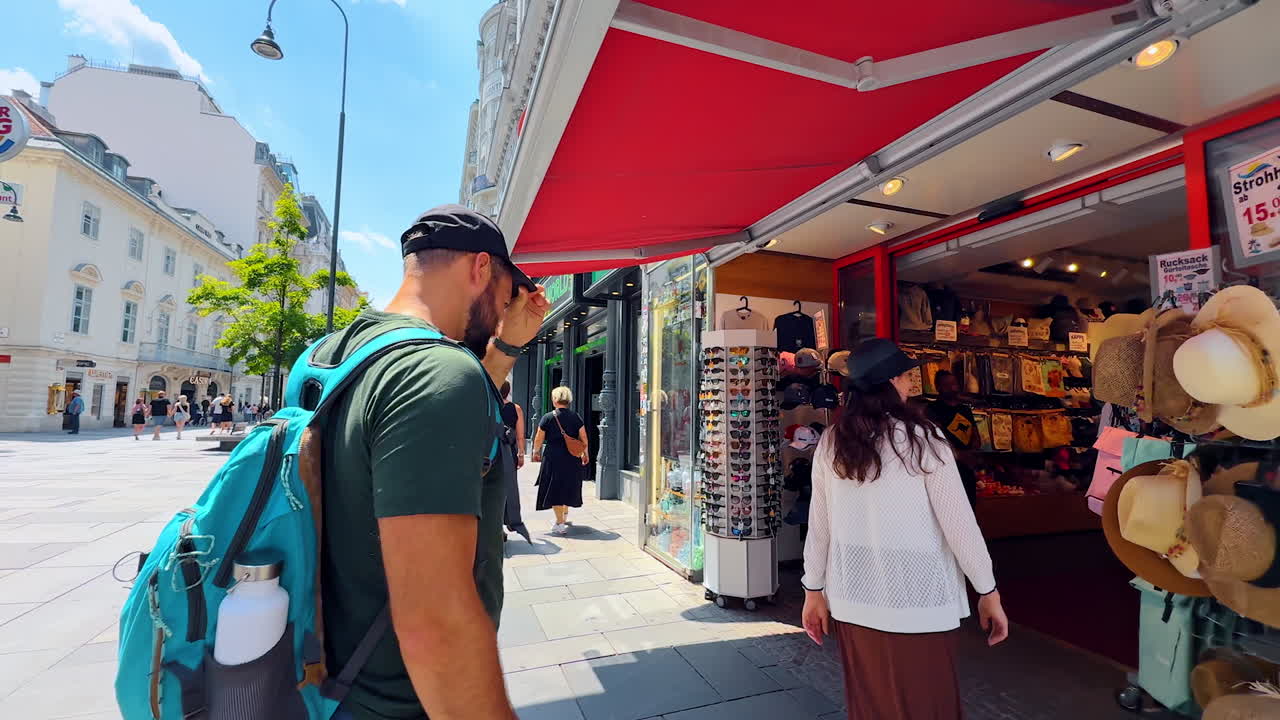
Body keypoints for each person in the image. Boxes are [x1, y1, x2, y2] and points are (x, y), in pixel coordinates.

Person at [313, 204, 545, 720]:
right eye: (506, 295)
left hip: (328, 680)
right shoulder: (438, 372)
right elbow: (435, 624)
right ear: (480, 269)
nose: (504, 309)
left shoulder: (332, 355)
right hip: (404, 700)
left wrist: (504, 346)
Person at [801, 338, 1008, 720]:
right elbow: (960, 525)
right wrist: (987, 590)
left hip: (853, 598)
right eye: (906, 375)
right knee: (929, 705)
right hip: (920, 598)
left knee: (871, 706)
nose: (912, 383)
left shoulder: (833, 442)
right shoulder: (924, 440)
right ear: (891, 381)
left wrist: (813, 589)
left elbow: (820, 524)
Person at [531, 386, 588, 535]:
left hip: (553, 457)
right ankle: (564, 516)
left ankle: (560, 523)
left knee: (555, 489)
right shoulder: (576, 417)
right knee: (567, 486)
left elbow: (539, 437)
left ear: (555, 400)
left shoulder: (548, 417)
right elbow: (583, 438)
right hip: (572, 458)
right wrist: (585, 453)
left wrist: (535, 451)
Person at [924, 370, 982, 508]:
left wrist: (974, 450)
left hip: (967, 468)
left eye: (954, 384)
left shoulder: (965, 410)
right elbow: (935, 439)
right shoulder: (932, 409)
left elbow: (975, 434)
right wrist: (958, 455)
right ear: (938, 388)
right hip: (946, 468)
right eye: (947, 385)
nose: (952, 388)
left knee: (969, 506)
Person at [499, 381, 531, 543]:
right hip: (508, 453)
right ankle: (506, 523)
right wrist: (521, 454)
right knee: (507, 487)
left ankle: (494, 526)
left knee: (489, 488)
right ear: (508, 391)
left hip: (488, 454)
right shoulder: (516, 408)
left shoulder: (487, 407)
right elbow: (520, 435)